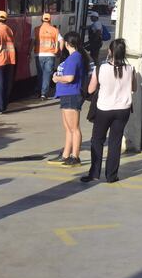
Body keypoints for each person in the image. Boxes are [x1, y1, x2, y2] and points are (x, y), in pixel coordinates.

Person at [81, 38, 136, 183]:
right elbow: (134, 88)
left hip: (104, 109)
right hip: (123, 110)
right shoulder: (130, 69)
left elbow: (90, 89)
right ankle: (112, 175)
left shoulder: (101, 69)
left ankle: (94, 172)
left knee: (97, 140)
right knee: (115, 142)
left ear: (110, 51)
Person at [47, 32, 89, 167]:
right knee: (68, 128)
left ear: (66, 43)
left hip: (72, 94)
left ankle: (75, 156)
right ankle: (65, 154)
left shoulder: (74, 58)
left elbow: (70, 78)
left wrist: (56, 78)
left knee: (74, 128)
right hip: (66, 94)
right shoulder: (73, 57)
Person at [34, 13, 63, 100]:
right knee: (47, 74)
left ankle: (40, 92)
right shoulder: (55, 30)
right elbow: (61, 41)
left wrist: (29, 52)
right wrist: (59, 52)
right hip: (50, 55)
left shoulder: (36, 29)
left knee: (40, 74)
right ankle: (44, 94)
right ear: (50, 20)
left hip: (39, 54)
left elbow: (32, 41)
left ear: (41, 20)